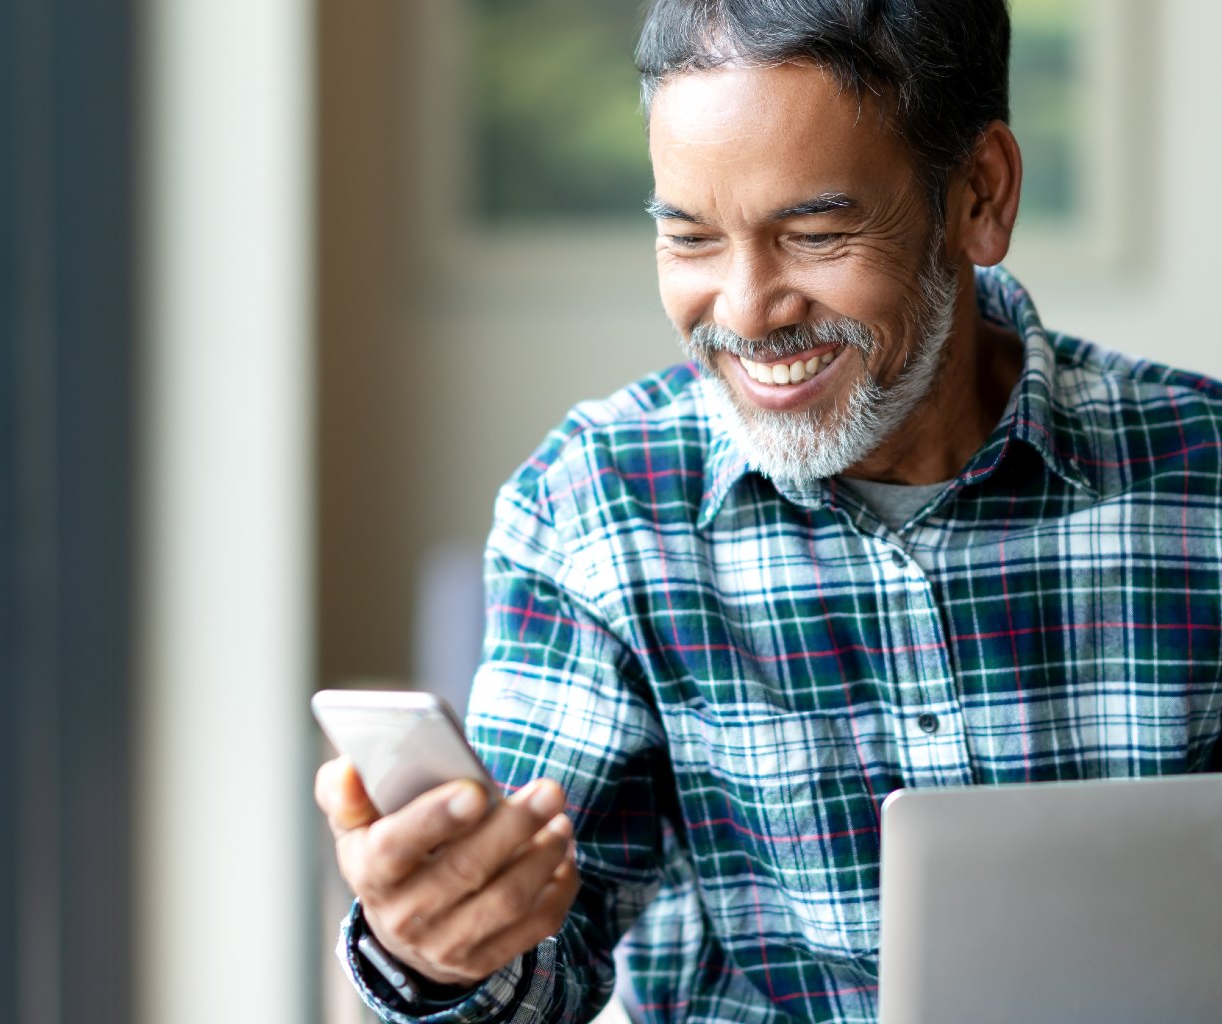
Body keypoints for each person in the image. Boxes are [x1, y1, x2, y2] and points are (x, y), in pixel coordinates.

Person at [315, 1, 1222, 1021]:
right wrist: (439, 948)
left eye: (816, 233)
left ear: (981, 193)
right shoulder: (597, 507)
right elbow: (539, 976)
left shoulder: (1204, 477)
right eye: (692, 238)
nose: (746, 312)